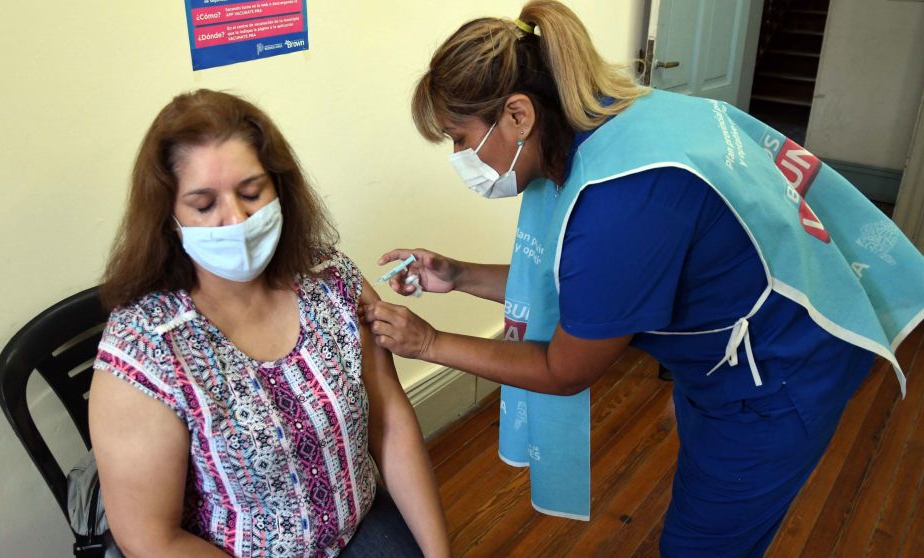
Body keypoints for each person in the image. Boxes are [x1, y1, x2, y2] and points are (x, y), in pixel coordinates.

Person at [361, 1, 924, 557]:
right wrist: (457, 275)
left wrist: (428, 343)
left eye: (460, 137)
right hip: (743, 341)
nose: (459, 156)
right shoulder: (621, 122)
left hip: (779, 375)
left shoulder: (620, 203)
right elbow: (587, 289)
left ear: (518, 116)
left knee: (697, 548)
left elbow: (563, 369)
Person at [89, 89, 450, 558]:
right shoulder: (145, 347)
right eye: (204, 205)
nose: (235, 219)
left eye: (251, 193)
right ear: (169, 217)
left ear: (279, 187)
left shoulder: (330, 279)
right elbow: (149, 537)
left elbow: (390, 422)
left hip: (356, 525)